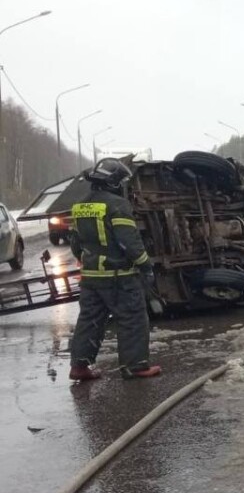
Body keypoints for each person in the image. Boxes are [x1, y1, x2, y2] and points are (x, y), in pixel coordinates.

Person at [67, 158, 162, 381]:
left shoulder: (79, 206)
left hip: (91, 277)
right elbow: (130, 242)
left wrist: (89, 261)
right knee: (133, 319)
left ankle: (79, 366)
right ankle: (135, 366)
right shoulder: (118, 205)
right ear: (114, 183)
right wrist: (145, 265)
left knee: (90, 321)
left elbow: (75, 244)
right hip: (118, 276)